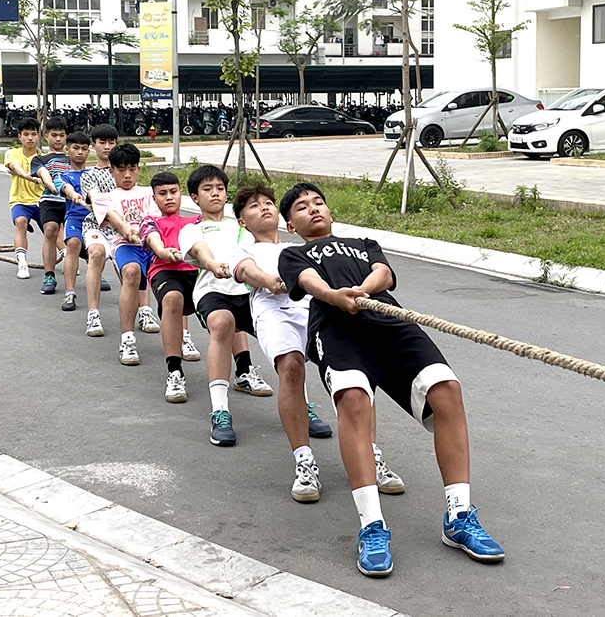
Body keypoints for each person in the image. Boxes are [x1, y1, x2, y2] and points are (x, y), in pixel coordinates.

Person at [277, 182, 504, 577]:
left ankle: (459, 516)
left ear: (330, 212)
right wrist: (334, 295)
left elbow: (383, 273)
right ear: (290, 224)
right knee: (353, 401)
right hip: (336, 328)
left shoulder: (364, 244)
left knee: (447, 390)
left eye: (318, 202)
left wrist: (363, 290)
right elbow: (309, 280)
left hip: (390, 320)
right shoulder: (293, 253)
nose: (313, 209)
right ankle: (372, 527)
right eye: (301, 207)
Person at [231, 184, 408, 504]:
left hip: (319, 309)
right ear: (242, 221)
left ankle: (371, 454)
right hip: (276, 313)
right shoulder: (245, 250)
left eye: (269, 203)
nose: (265, 208)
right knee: (291, 367)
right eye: (254, 207)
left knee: (358, 372)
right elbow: (247, 272)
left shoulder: (300, 249)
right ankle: (304, 461)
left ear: (287, 222)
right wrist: (272, 281)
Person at [173, 165, 273, 447]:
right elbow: (200, 251)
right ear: (194, 197)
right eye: (207, 189)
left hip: (249, 291)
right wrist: (213, 264)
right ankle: (220, 411)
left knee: (286, 338)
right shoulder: (191, 229)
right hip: (212, 292)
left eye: (219, 188)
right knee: (222, 323)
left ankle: (304, 406)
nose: (215, 193)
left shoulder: (241, 226)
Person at [79, 125, 159, 337]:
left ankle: (144, 310)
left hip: (134, 232)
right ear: (93, 145)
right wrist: (123, 227)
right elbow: (96, 199)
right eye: (102, 142)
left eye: (110, 142)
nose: (106, 147)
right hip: (99, 224)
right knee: (96, 253)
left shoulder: (138, 186)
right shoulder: (89, 175)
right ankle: (93, 314)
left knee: (132, 270)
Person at [92, 144, 160, 366]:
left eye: (132, 168)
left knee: (174, 285)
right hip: (125, 245)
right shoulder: (105, 198)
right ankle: (127, 340)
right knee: (131, 273)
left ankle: (183, 338)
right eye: (121, 169)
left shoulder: (149, 193)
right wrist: (126, 228)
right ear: (111, 171)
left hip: (153, 245)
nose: (127, 174)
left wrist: (148, 236)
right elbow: (113, 218)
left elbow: (155, 218)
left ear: (139, 168)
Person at [140, 171, 203, 402]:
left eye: (173, 192)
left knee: (228, 299)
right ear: (154, 198)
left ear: (181, 194)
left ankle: (244, 368)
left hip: (197, 271)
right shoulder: (150, 221)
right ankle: (175, 372)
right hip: (165, 270)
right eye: (162, 193)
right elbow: (153, 240)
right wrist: (164, 251)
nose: (169, 197)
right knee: (172, 298)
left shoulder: (195, 220)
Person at [53, 131, 93, 311]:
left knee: (97, 252)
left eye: (84, 149)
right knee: (74, 244)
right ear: (67, 150)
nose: (80, 152)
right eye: (76, 148)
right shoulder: (63, 175)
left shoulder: (93, 174)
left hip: (95, 220)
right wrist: (74, 195)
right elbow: (64, 188)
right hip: (75, 218)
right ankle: (70, 292)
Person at [31, 116, 70, 295]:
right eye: (54, 135)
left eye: (62, 135)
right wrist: (51, 185)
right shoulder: (40, 159)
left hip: (72, 201)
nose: (58, 139)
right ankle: (49, 275)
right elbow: (43, 173)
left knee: (80, 237)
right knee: (50, 230)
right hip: (50, 200)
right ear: (46, 136)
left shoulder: (73, 158)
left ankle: (95, 270)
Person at [3, 117, 45, 280]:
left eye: (33, 134)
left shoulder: (43, 157)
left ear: (38, 136)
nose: (30, 138)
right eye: (26, 134)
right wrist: (27, 176)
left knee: (53, 228)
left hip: (42, 201)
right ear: (19, 136)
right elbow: (15, 166)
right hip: (20, 201)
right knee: (20, 222)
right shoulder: (12, 153)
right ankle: (22, 262)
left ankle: (66, 257)